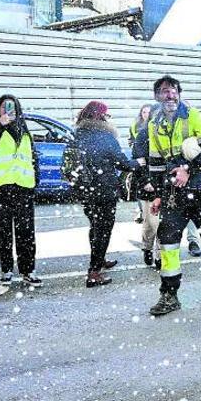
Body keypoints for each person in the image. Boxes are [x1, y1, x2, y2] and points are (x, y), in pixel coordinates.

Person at [139, 75, 201, 315]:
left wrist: (187, 169)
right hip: (173, 195)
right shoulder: (154, 124)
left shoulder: (193, 116)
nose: (169, 95)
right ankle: (169, 296)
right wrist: (159, 195)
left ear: (179, 93)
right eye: (163, 91)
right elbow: (156, 163)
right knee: (168, 241)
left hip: (200, 191)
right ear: (156, 97)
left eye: (172, 90)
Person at [64, 101, 140, 287]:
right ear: (101, 116)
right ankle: (94, 271)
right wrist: (139, 163)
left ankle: (99, 260)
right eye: (107, 114)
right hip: (104, 190)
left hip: (84, 191)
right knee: (103, 230)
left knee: (95, 226)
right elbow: (123, 164)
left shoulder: (76, 135)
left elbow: (67, 164)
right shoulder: (106, 136)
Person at [0, 94, 42, 287]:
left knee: (26, 232)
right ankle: (6, 270)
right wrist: (1, 124)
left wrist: (34, 181)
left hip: (23, 187)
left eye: (12, 108)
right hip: (0, 188)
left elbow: (32, 157)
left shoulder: (24, 131)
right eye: (4, 108)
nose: (8, 111)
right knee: (4, 232)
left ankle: (28, 270)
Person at [129, 104, 153, 226]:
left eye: (148, 112)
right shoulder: (136, 126)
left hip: (149, 161)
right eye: (144, 112)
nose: (146, 114)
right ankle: (142, 211)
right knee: (141, 187)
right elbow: (132, 139)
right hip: (140, 159)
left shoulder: (155, 128)